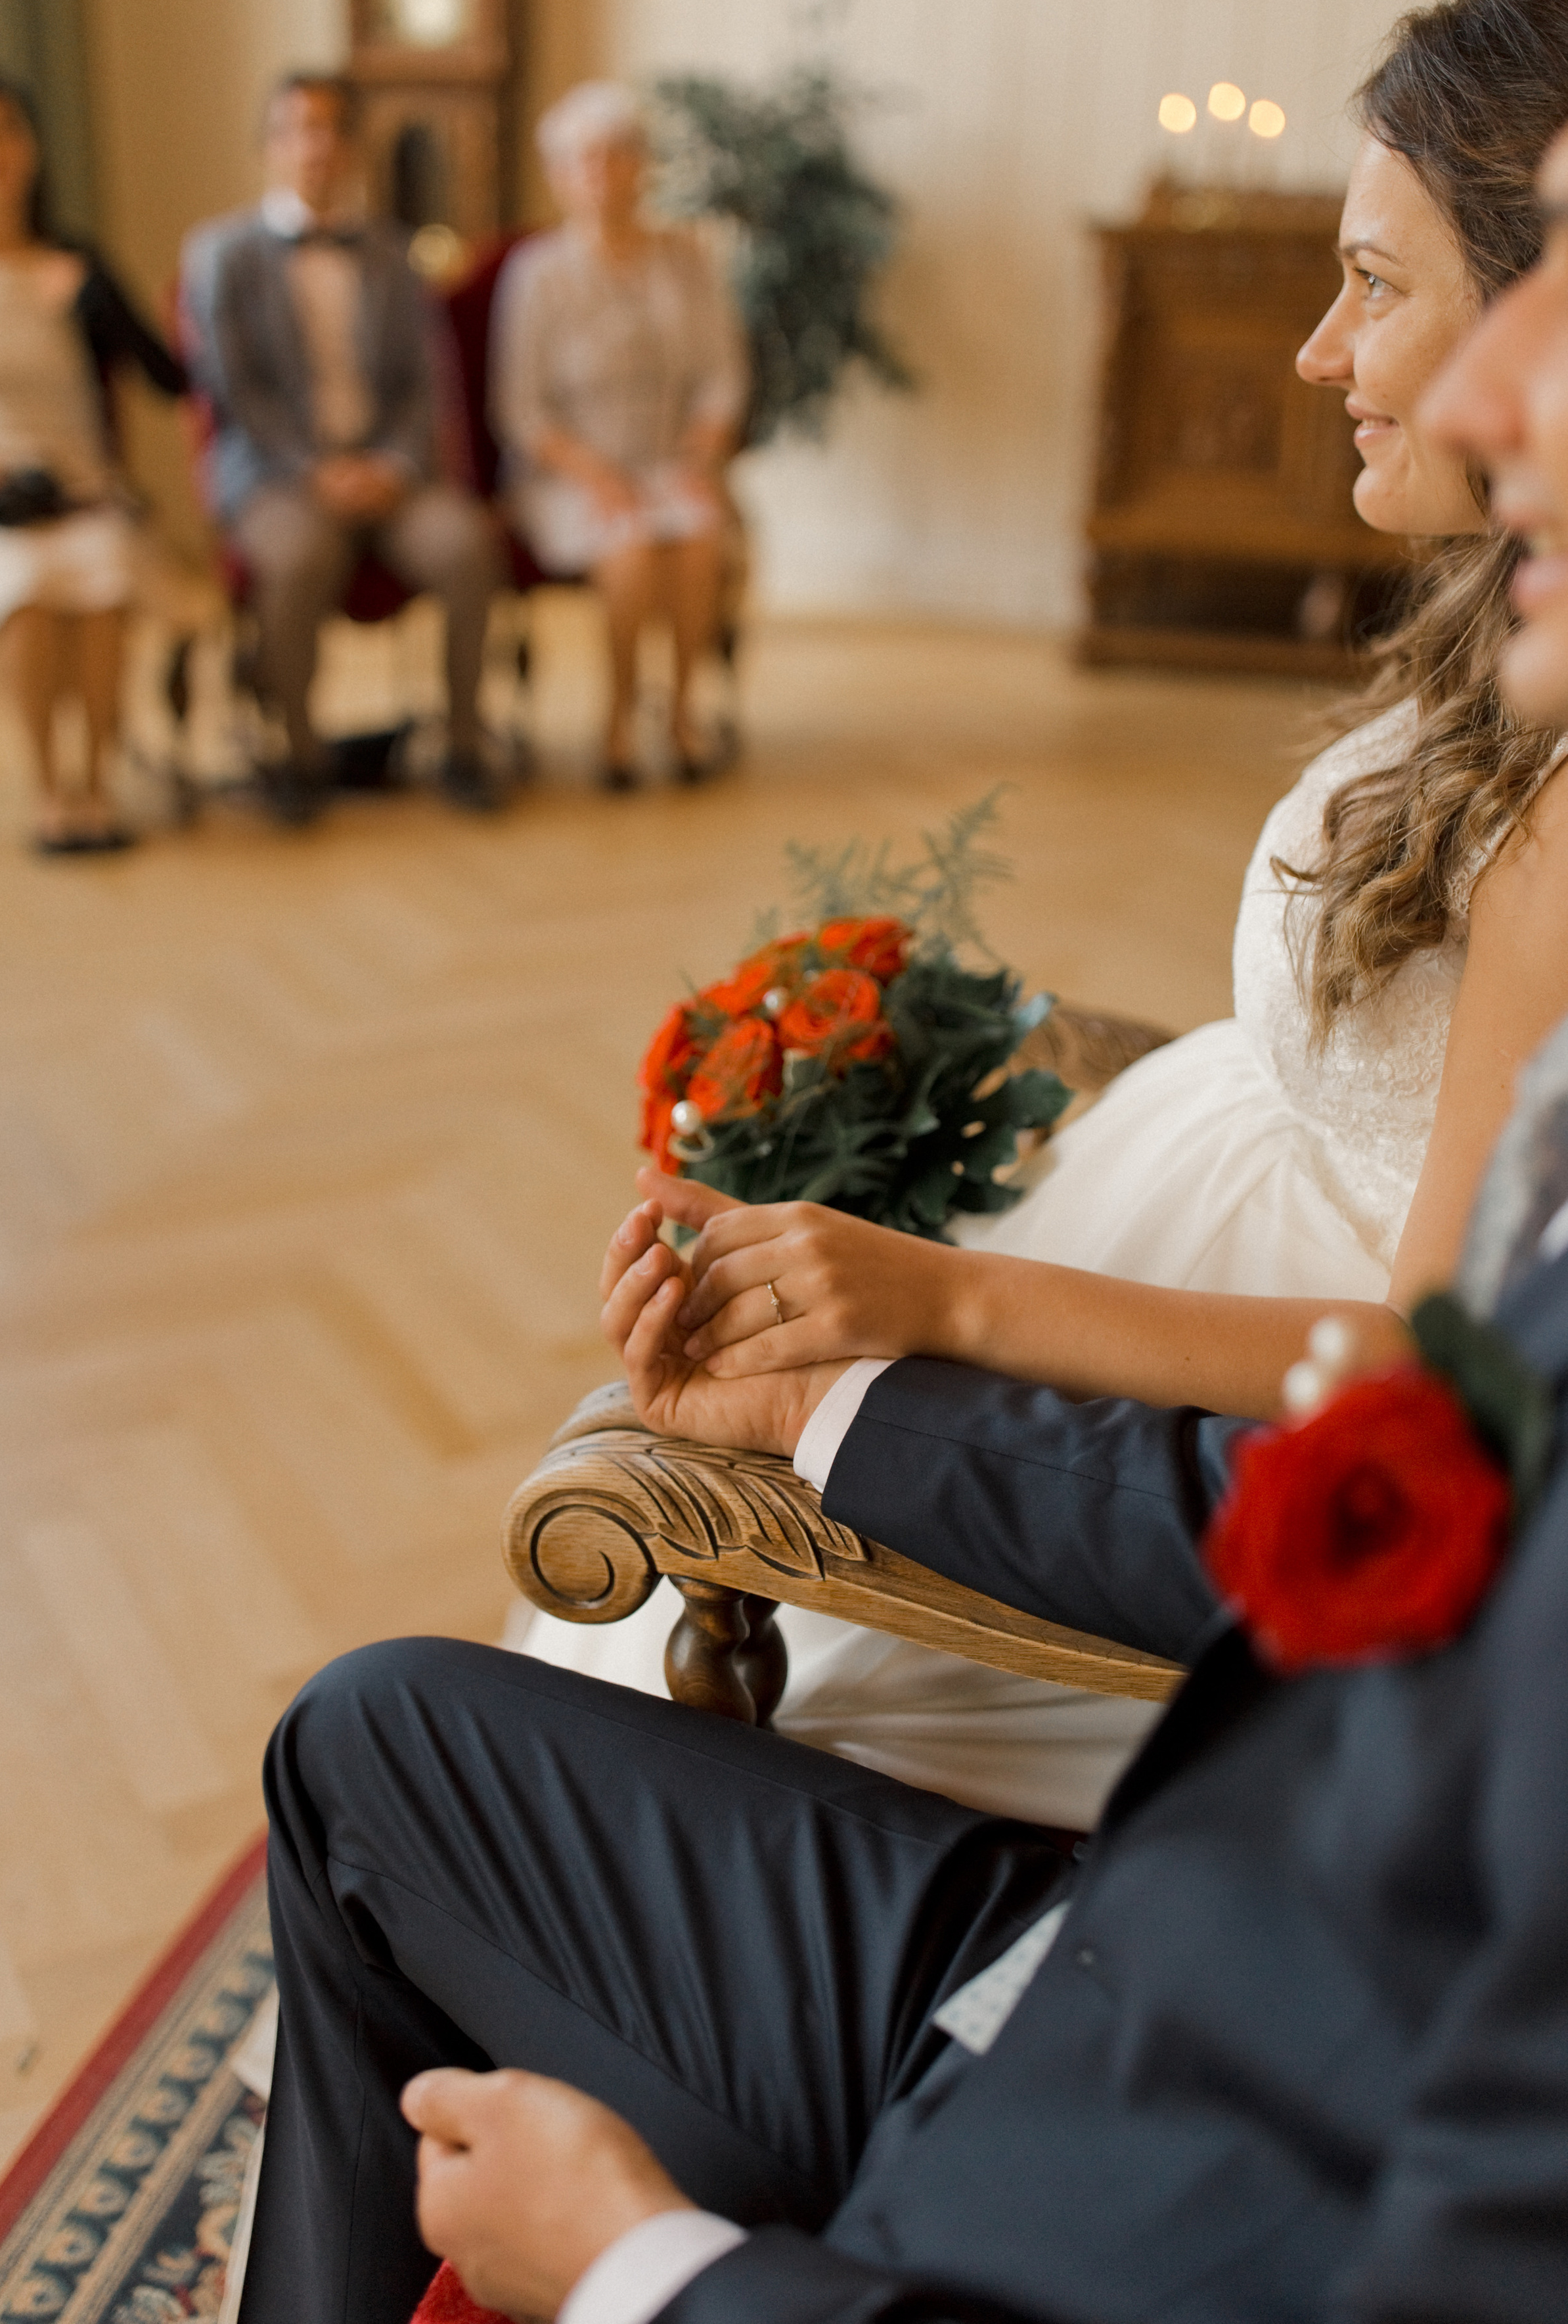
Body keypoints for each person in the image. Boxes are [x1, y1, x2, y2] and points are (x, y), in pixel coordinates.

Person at [238, 161, 1568, 2317]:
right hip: (1120, 1960)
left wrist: (646, 2268)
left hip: (1100, 2153)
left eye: (1395, 285)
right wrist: (841, 1399)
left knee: (383, 1764)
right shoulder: (1504, 693)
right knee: (366, 1737)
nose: (1383, 360)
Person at [518, 0, 1568, 1831]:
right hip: (1154, 1224)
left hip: (1237, 1395)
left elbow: (1434, 1355)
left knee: (641, 1743)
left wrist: (941, 1298)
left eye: (1373, 284)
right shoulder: (1509, 617)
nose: (1316, 350)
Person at [0, 65, 190, 852]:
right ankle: (49, 791)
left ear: (30, 148)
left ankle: (96, 787)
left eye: (3, 131)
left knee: (103, 581)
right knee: (25, 587)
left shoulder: (76, 261)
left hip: (80, 484)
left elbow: (170, 379)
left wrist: (96, 301)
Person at [194, 72, 503, 823]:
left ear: (353, 147)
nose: (316, 145)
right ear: (270, 145)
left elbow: (422, 386)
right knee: (299, 558)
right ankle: (300, 757)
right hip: (276, 475)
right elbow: (237, 394)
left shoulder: (393, 253)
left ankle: (464, 746)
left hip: (390, 471)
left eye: (332, 129)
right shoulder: (223, 255)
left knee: (466, 547)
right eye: (299, 128)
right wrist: (318, 472)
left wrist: (390, 466)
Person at [491, 80, 748, 789]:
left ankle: (683, 716)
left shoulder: (686, 261)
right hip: (567, 471)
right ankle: (617, 722)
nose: (603, 174)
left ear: (642, 167)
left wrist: (700, 454)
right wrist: (597, 476)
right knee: (628, 544)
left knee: (700, 535)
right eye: (586, 160)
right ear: (560, 176)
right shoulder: (536, 274)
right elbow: (521, 409)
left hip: (669, 457)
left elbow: (722, 374)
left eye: (618, 155)